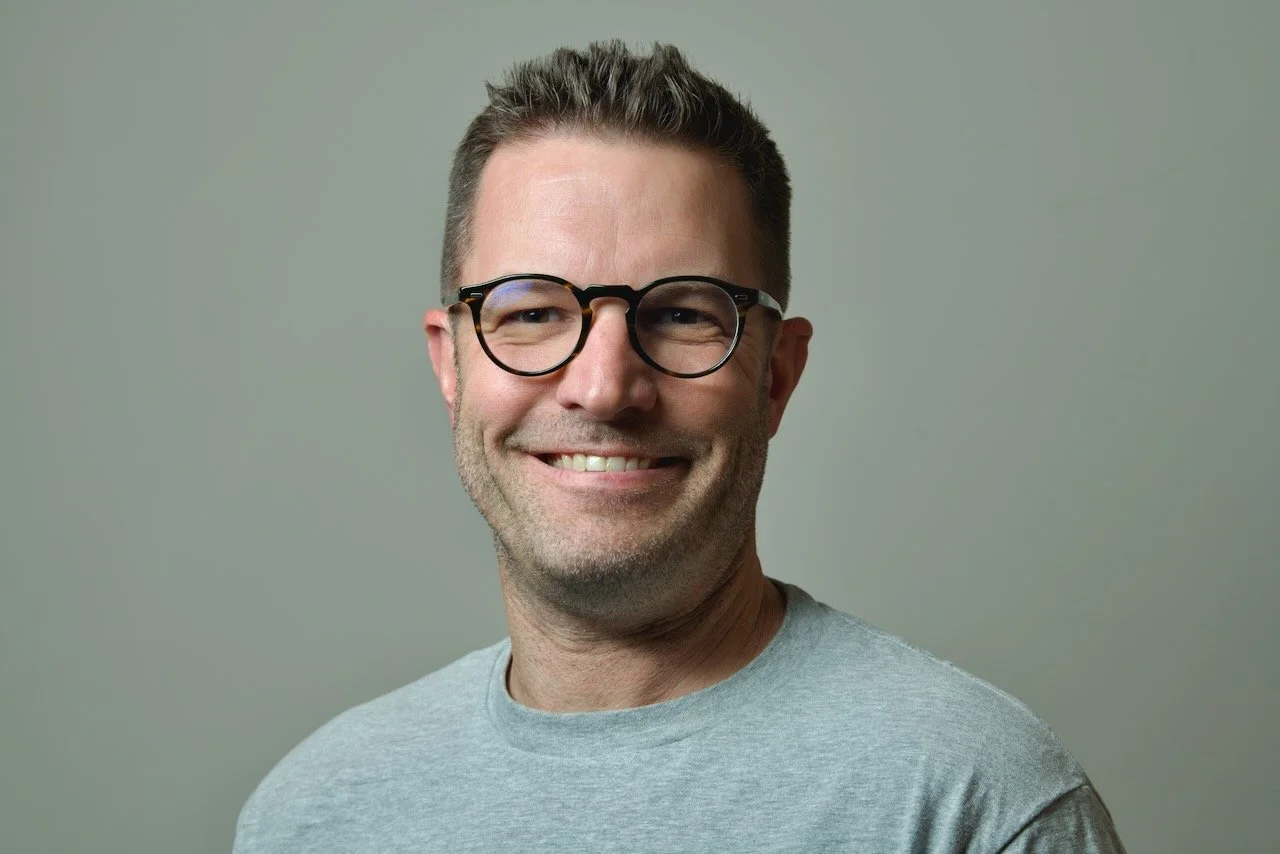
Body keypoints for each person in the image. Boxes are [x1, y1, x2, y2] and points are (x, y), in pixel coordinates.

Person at [233, 41, 1125, 852]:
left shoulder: (978, 808)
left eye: (684, 313)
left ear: (776, 373)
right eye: (534, 312)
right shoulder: (312, 816)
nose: (606, 386)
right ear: (452, 364)